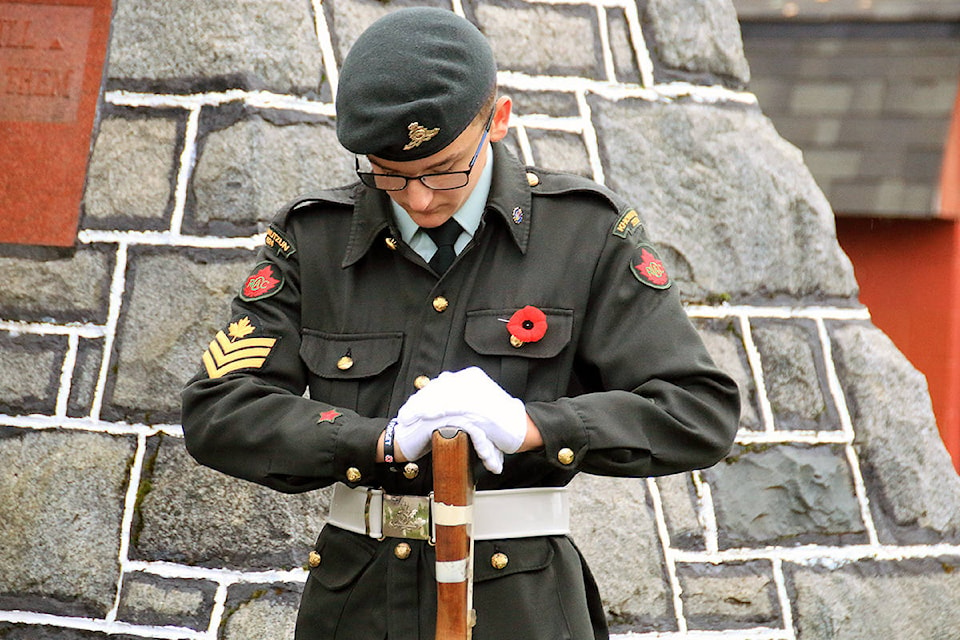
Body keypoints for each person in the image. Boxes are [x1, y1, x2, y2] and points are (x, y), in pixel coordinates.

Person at [181, 7, 740, 639]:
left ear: (497, 120)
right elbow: (219, 409)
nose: (419, 199)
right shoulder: (312, 239)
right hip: (358, 604)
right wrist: (378, 442)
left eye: (445, 170)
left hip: (522, 607)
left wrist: (533, 426)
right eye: (387, 174)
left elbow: (699, 411)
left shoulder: (584, 234)